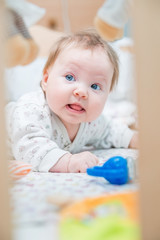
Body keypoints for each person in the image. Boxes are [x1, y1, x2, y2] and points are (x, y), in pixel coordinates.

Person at [6, 30, 138, 173]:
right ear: (46, 80)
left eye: (95, 86)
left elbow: (110, 131)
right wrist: (68, 162)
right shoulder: (31, 110)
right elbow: (29, 147)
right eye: (70, 77)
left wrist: (134, 139)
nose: (81, 92)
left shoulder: (91, 123)